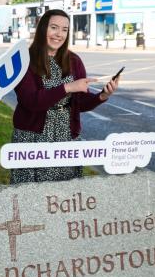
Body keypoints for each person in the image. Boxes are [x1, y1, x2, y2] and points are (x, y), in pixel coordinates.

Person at [10, 9, 119, 183]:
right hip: (33, 139)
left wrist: (103, 96)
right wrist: (68, 87)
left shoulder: (74, 61)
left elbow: (80, 103)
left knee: (64, 196)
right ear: (42, 29)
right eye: (54, 27)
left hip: (66, 137)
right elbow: (31, 101)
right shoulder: (24, 60)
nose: (59, 34)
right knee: (31, 196)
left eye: (64, 29)